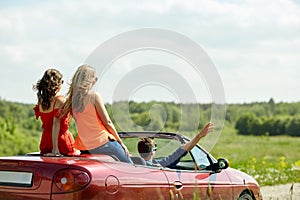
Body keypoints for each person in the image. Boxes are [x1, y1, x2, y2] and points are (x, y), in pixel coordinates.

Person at [61, 64, 132, 163]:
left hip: (85, 147)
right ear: (89, 80)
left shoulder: (72, 102)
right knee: (130, 167)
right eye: (95, 78)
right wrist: (120, 142)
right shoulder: (94, 96)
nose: (95, 81)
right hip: (104, 143)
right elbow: (107, 122)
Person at [33, 69, 78, 156]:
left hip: (45, 143)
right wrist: (55, 149)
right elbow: (56, 123)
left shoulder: (41, 100)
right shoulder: (59, 100)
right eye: (62, 81)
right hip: (60, 143)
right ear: (57, 84)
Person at [138, 122, 214, 167]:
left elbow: (126, 155)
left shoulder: (131, 163)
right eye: (155, 147)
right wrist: (199, 135)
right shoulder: (159, 165)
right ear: (152, 152)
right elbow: (185, 148)